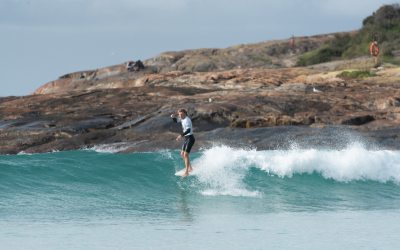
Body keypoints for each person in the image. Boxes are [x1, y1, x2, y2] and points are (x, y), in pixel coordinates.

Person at [171, 109, 195, 177]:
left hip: (190, 138)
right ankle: (190, 168)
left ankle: (187, 171)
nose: (180, 116)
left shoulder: (187, 120)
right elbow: (176, 121)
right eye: (179, 114)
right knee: (182, 154)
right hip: (186, 139)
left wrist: (180, 135)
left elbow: (188, 130)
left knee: (186, 155)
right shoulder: (182, 118)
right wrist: (173, 118)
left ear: (185, 114)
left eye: (182, 114)